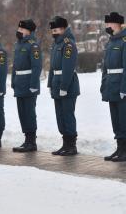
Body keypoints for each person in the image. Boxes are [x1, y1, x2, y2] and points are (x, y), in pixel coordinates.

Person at [101, 12, 126, 162]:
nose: (107, 27)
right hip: (111, 86)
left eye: (110, 24)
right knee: (115, 119)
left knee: (123, 118)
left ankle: (125, 150)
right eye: (106, 24)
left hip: (121, 86)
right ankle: (119, 148)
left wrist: (124, 89)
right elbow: (105, 67)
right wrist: (103, 84)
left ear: (118, 25)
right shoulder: (110, 42)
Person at [48, 16, 80, 156]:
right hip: (56, 83)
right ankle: (65, 144)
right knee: (60, 116)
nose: (53, 32)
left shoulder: (68, 44)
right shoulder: (56, 44)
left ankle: (71, 146)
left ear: (63, 29)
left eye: (56, 30)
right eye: (52, 30)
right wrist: (50, 83)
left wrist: (64, 87)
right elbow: (52, 67)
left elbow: (68, 68)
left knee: (67, 115)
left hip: (67, 85)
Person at [12, 19, 42, 152]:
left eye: (22, 29)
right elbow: (15, 66)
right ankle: (26, 139)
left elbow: (37, 66)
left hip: (29, 84)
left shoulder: (33, 45)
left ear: (29, 31)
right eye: (19, 29)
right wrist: (13, 81)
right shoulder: (18, 45)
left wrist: (34, 84)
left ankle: (32, 142)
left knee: (29, 113)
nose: (19, 31)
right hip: (19, 84)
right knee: (22, 113)